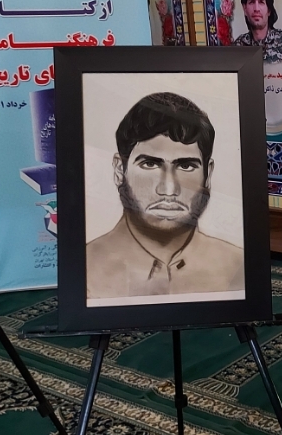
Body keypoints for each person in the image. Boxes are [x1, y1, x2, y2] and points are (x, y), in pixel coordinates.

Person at [86, 92, 243, 299]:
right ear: (119, 170)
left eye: (186, 166)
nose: (169, 189)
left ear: (208, 174)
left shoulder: (238, 267)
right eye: (150, 164)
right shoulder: (85, 270)